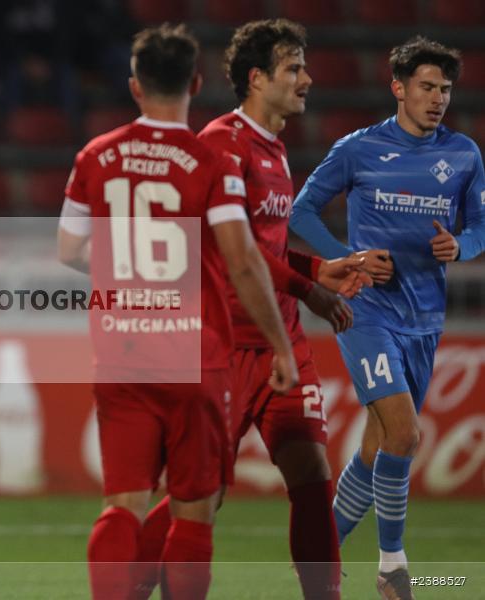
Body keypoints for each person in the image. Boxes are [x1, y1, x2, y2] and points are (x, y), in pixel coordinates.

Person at [132, 19, 374, 600]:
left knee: (312, 476)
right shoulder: (220, 144)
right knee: (204, 494)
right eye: (294, 68)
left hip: (280, 342)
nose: (308, 79)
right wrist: (308, 290)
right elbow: (229, 247)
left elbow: (262, 244)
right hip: (222, 347)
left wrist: (317, 271)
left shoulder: (275, 149)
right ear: (258, 78)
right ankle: (128, 578)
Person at [57, 23, 299, 600]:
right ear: (194, 82)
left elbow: (68, 249)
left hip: (122, 355)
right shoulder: (207, 160)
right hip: (198, 355)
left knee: (122, 506)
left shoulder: (96, 155)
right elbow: (242, 261)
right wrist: (282, 346)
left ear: (135, 86)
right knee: (194, 512)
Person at [290, 36, 485, 600]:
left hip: (425, 317)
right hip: (367, 313)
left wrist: (463, 247)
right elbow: (303, 209)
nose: (437, 98)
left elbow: (479, 225)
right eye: (426, 87)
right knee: (406, 432)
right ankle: (395, 568)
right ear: (398, 88)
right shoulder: (359, 149)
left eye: (445, 89)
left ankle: (318, 554)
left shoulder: (465, 154)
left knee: (379, 449)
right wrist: (346, 260)